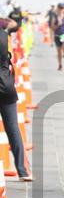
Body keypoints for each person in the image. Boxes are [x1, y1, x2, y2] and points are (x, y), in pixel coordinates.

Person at [0, 18, 32, 180]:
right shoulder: (3, 35)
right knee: (13, 129)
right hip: (7, 87)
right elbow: (12, 24)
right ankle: (23, 171)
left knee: (13, 129)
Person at [50, 3, 64, 70]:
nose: (61, 9)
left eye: (62, 8)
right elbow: (52, 27)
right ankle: (60, 65)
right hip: (57, 35)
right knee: (59, 52)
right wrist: (58, 25)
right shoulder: (54, 16)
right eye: (60, 8)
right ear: (57, 8)